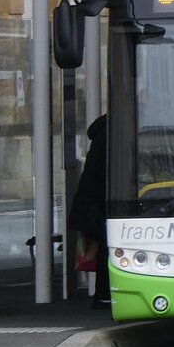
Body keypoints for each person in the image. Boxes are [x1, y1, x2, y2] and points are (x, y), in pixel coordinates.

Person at [69, 114, 110, 308]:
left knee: (105, 246)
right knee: (109, 246)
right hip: (99, 201)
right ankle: (103, 296)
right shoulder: (115, 132)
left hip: (93, 200)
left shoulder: (104, 130)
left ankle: (103, 296)